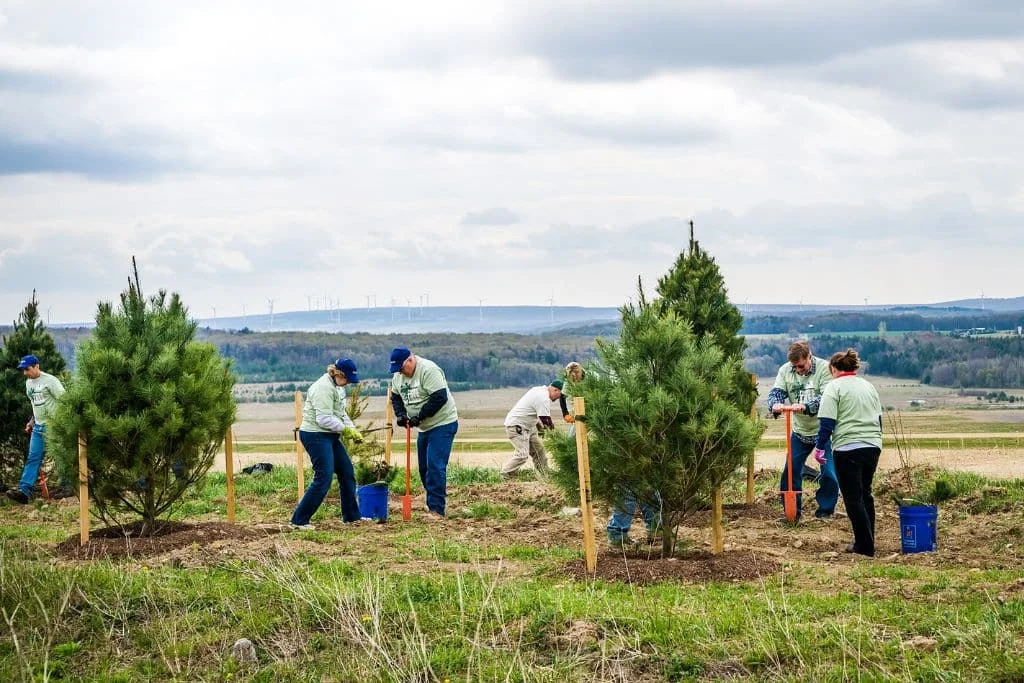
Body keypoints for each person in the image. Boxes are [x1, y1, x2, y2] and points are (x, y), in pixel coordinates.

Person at [813, 349, 883, 557]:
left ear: (833, 369)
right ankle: (869, 539)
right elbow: (879, 419)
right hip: (872, 445)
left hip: (847, 447)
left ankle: (864, 546)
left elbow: (827, 422)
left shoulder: (833, 387)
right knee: (865, 494)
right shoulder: (868, 386)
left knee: (853, 498)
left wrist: (819, 447)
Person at [766, 340, 840, 520]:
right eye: (795, 367)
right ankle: (792, 513)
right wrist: (775, 404)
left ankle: (825, 511)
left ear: (809, 357)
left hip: (824, 430)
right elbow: (776, 391)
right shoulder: (785, 370)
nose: (798, 370)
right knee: (790, 471)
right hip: (799, 431)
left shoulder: (824, 369)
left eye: (801, 366)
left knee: (829, 472)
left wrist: (806, 406)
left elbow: (826, 398)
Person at [290, 358, 363, 530]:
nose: (347, 384)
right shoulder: (322, 388)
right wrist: (345, 430)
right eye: (347, 380)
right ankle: (299, 520)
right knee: (324, 477)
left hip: (330, 435)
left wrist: (353, 430)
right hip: (315, 435)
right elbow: (323, 419)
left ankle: (351, 517)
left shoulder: (338, 388)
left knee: (347, 472)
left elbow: (341, 413)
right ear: (339, 374)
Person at [389, 347, 459, 518]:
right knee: (424, 469)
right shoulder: (398, 376)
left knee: (435, 465)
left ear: (411, 360)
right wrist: (401, 415)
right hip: (424, 427)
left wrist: (419, 417)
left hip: (443, 423)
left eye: (402, 368)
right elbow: (396, 396)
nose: (400, 372)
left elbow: (439, 397)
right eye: (397, 370)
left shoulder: (428, 370)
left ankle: (436, 510)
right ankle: (434, 502)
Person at [6, 355, 65, 504]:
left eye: (27, 369)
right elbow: (35, 406)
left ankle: (69, 487)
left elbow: (65, 400)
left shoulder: (51, 381)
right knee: (33, 458)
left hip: (54, 426)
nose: (25, 373)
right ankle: (24, 492)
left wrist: (63, 423)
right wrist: (32, 422)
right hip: (38, 428)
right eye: (23, 370)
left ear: (37, 366)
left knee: (62, 457)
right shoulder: (28, 384)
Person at [500, 380, 562, 479]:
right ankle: (505, 474)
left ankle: (545, 474)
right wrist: (557, 437)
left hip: (528, 426)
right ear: (556, 390)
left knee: (539, 450)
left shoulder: (538, 389)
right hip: (517, 426)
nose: (558, 398)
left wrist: (539, 429)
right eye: (559, 395)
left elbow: (533, 412)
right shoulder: (543, 398)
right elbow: (546, 420)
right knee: (522, 455)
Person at [559, 362, 584, 426]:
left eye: (576, 374)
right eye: (571, 376)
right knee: (573, 435)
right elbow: (562, 397)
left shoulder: (591, 377)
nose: (574, 378)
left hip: (593, 410)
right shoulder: (568, 382)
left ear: (580, 371)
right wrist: (565, 414)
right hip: (578, 411)